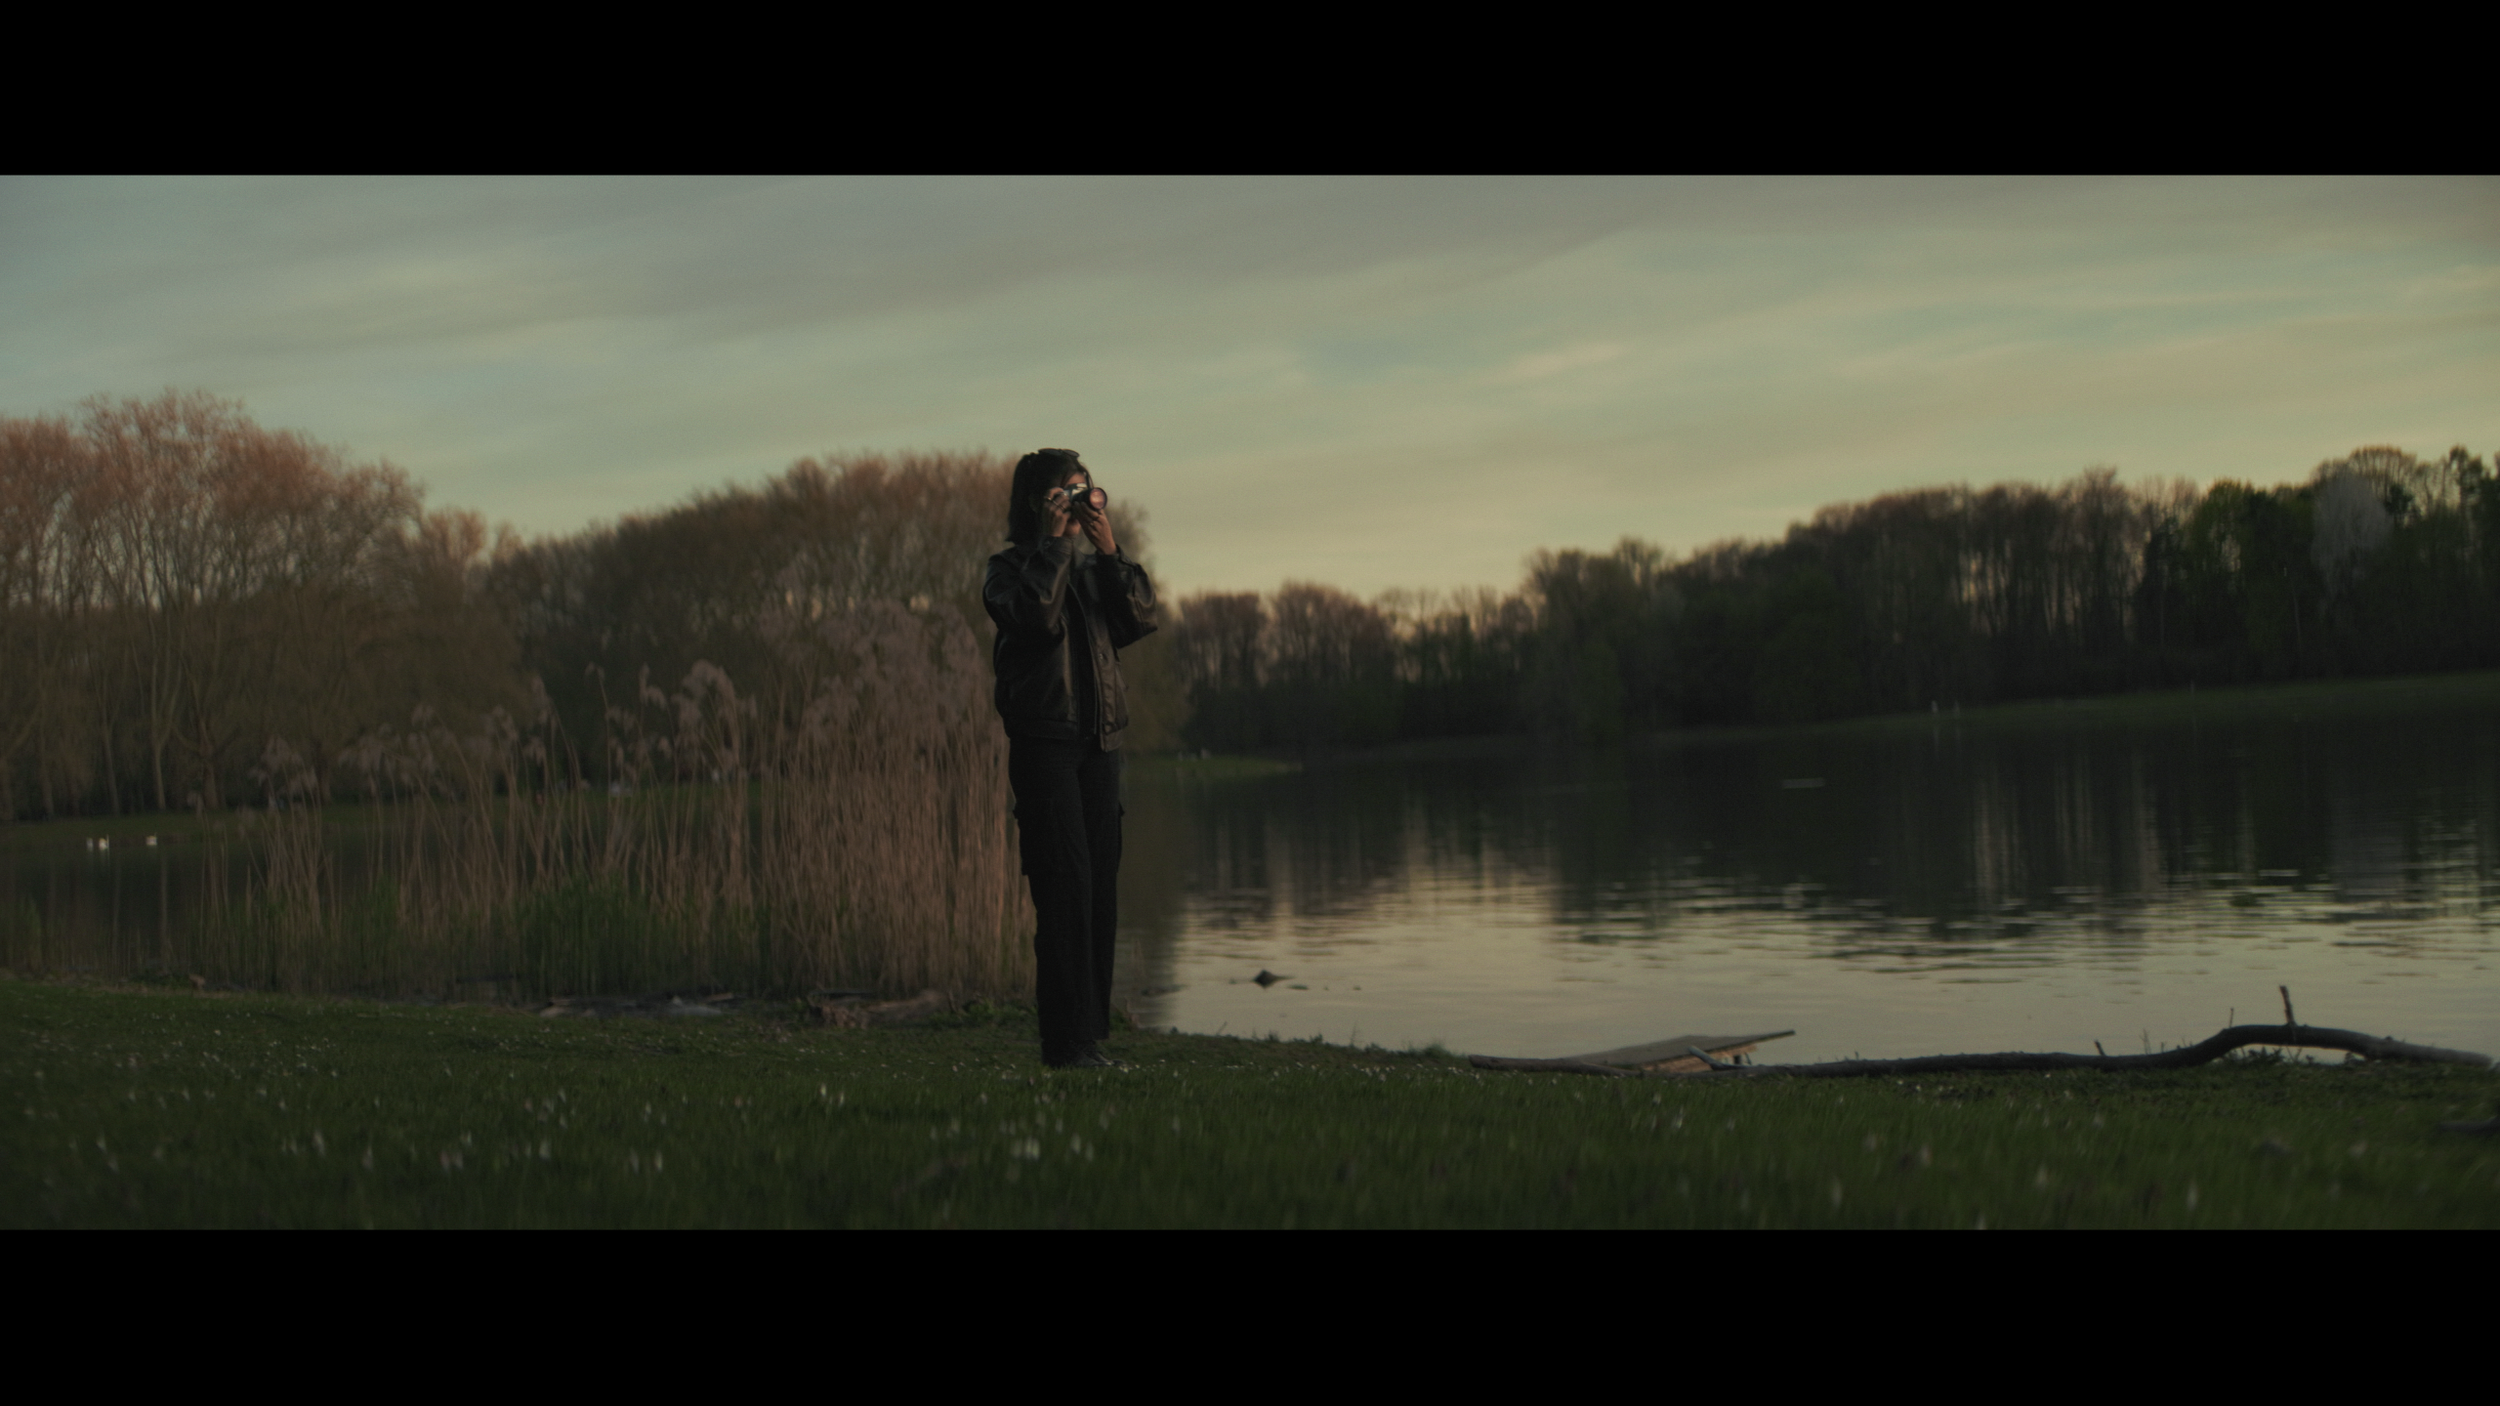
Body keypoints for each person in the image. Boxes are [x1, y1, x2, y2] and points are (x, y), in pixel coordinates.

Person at [984, 449, 1157, 1069]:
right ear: (1038, 502)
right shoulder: (1007, 569)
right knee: (1064, 890)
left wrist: (1109, 552)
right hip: (1046, 745)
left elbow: (1140, 619)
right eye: (1067, 494)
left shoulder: (1091, 570)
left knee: (1098, 893)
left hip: (1101, 742)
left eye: (1085, 491)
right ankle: (1065, 1046)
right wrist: (1056, 546)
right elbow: (1035, 617)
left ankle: (1088, 1038)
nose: (1079, 504)